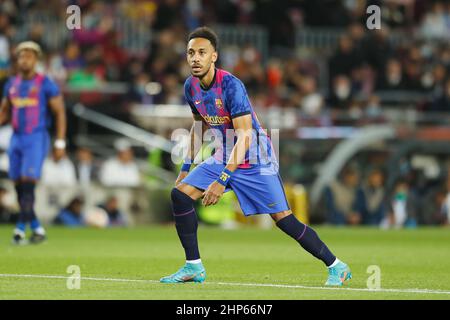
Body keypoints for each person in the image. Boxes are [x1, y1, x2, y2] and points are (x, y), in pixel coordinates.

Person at [160, 27, 351, 286]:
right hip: (226, 152)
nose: (195, 58)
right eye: (191, 53)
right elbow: (198, 128)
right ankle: (193, 266)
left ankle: (336, 266)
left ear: (213, 57)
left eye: (202, 53)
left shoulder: (231, 86)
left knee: (284, 220)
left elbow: (245, 136)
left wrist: (222, 179)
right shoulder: (190, 87)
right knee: (180, 195)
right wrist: (185, 167)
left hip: (255, 158)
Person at [0, 41, 66, 245]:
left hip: (36, 137)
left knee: (28, 184)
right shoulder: (11, 83)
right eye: (21, 56)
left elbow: (59, 112)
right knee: (18, 185)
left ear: (36, 60)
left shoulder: (45, 83)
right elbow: (4, 112)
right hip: (16, 138)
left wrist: (60, 142)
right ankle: (36, 227)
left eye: (28, 56)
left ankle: (20, 229)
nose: (24, 60)